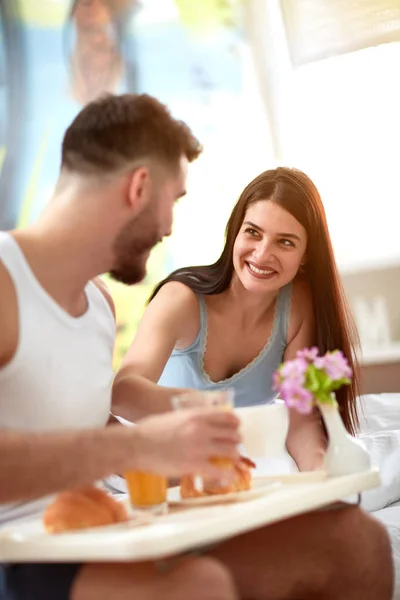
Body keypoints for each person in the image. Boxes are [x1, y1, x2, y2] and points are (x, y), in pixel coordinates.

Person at [0, 93, 393, 600]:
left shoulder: (98, 306)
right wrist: (142, 444)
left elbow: (85, 434)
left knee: (355, 544)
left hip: (109, 528)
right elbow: (113, 443)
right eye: (175, 200)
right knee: (200, 586)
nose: (168, 228)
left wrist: (195, 462)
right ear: (140, 187)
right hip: (21, 552)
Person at [112, 167, 359, 471]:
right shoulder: (180, 300)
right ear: (235, 231)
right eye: (253, 232)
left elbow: (300, 421)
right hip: (164, 466)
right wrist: (208, 410)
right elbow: (122, 393)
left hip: (246, 466)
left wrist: (321, 483)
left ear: (306, 255)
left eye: (285, 242)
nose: (261, 254)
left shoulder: (298, 305)